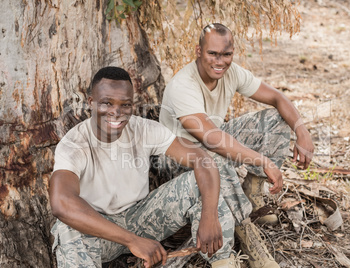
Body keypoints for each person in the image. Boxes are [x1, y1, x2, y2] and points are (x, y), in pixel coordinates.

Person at [49, 66, 256, 268]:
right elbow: (62, 203)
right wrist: (131, 240)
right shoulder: (74, 144)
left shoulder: (143, 129)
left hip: (142, 219)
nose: (116, 112)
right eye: (106, 103)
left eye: (125, 105)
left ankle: (223, 261)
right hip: (100, 231)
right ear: (91, 103)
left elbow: (202, 159)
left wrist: (209, 215)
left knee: (198, 182)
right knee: (66, 228)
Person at [159, 23, 315, 268]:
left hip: (210, 146)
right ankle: (246, 232)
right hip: (177, 160)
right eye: (213, 54)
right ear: (198, 51)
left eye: (226, 54)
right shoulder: (183, 85)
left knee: (277, 120)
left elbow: (277, 97)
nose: (220, 61)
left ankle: (253, 196)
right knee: (213, 156)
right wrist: (262, 161)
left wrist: (301, 130)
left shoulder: (231, 73)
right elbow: (211, 138)